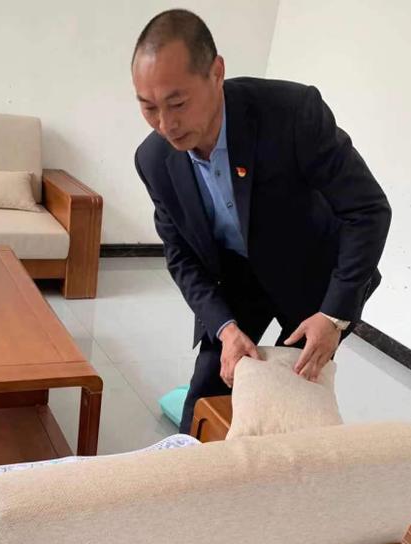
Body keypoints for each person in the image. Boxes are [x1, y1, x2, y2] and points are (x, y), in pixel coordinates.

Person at [132, 9, 391, 434]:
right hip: (236, 272)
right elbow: (181, 258)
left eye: (177, 104)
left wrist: (334, 316)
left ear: (217, 72)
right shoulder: (154, 159)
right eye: (148, 108)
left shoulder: (292, 114)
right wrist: (225, 328)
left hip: (311, 272)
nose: (166, 124)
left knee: (294, 398)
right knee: (207, 389)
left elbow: (368, 210)